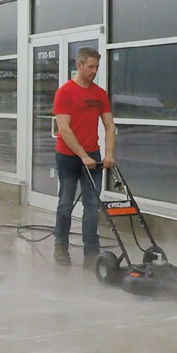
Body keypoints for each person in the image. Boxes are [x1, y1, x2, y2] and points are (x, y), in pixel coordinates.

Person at [52, 47, 115, 266]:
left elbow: (109, 126)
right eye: (91, 67)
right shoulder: (65, 92)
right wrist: (82, 155)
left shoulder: (99, 94)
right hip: (68, 157)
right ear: (79, 65)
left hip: (93, 156)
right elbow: (64, 129)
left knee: (92, 204)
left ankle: (91, 253)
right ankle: (60, 246)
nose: (94, 71)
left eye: (97, 67)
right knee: (65, 203)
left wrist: (108, 154)